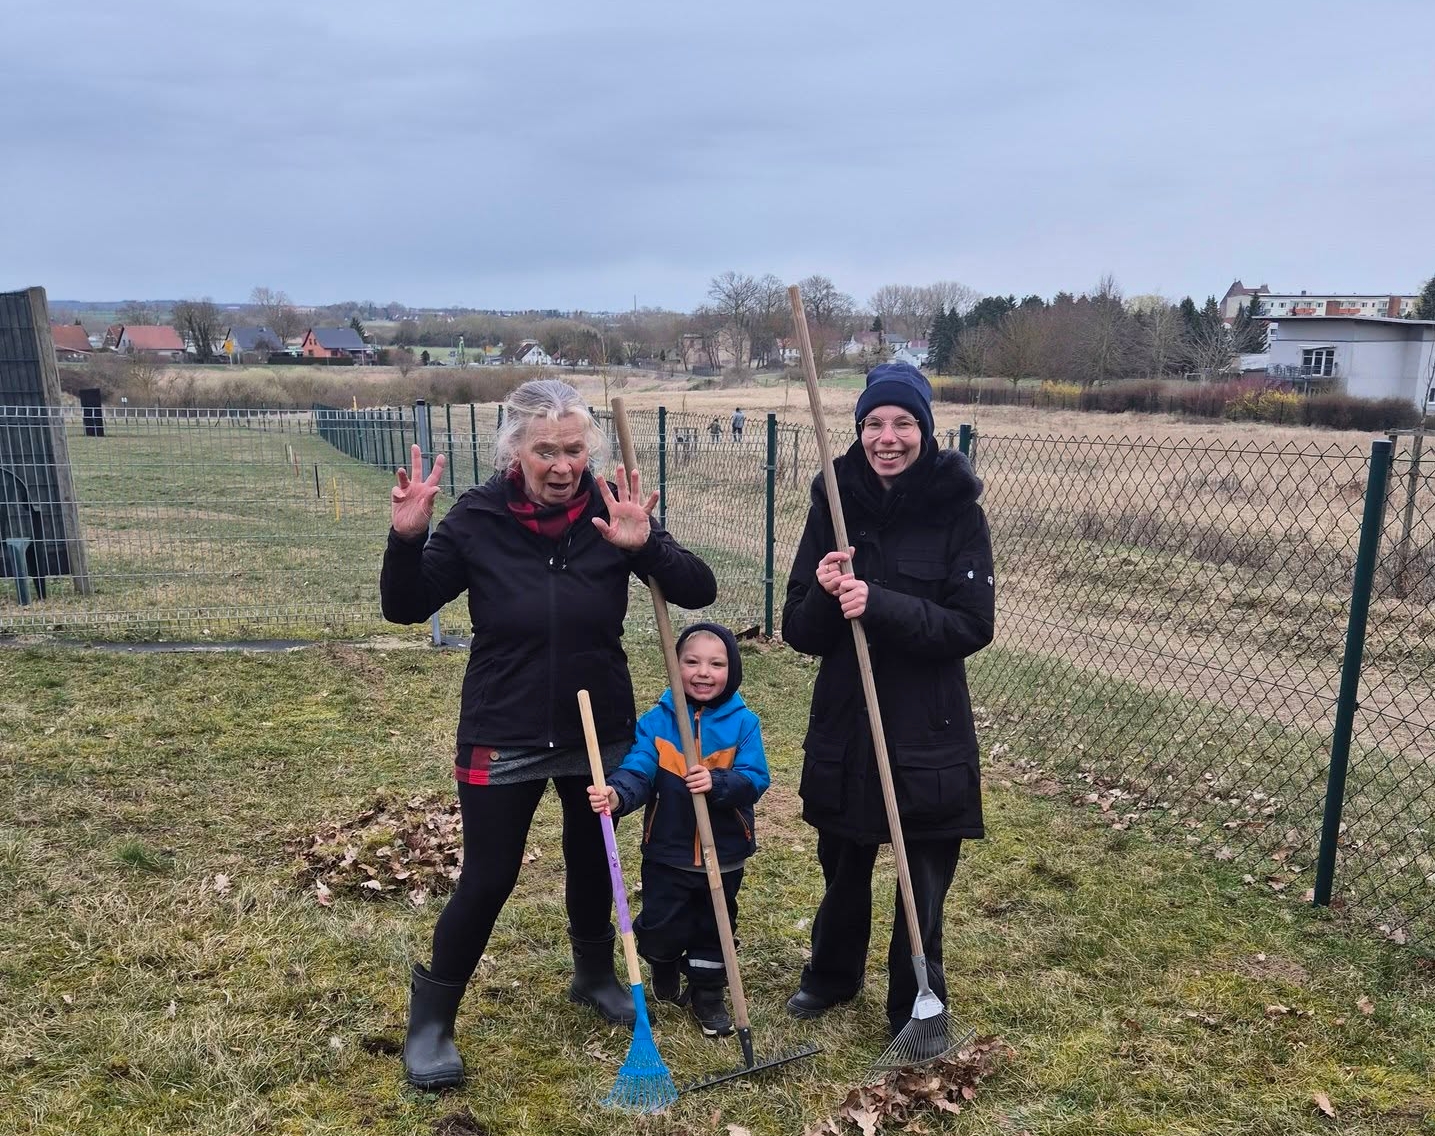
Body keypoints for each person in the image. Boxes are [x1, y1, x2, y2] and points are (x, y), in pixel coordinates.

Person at [380, 378, 717, 1090]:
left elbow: (698, 589)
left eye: (573, 450)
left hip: (598, 721)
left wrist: (646, 545)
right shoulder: (478, 517)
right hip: (504, 723)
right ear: (515, 451)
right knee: (490, 875)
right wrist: (407, 538)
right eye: (545, 452)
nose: (563, 466)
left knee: (594, 854)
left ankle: (593, 974)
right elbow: (405, 605)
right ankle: (432, 1022)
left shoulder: (612, 508)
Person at [780, 364, 994, 1038]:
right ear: (858, 430)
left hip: (928, 724)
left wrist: (879, 603)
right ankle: (832, 974)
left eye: (903, 422)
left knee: (922, 872)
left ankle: (916, 1001)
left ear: (925, 430)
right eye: (873, 423)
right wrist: (825, 593)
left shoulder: (958, 512)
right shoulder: (833, 503)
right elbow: (798, 630)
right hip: (848, 717)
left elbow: (971, 625)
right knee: (843, 859)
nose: (887, 437)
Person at [588, 623, 767, 1037]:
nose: (703, 672)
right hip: (668, 851)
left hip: (723, 852)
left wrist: (718, 783)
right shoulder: (658, 722)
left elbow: (755, 778)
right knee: (660, 926)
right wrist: (617, 794)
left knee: (714, 926)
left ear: (733, 670)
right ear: (674, 665)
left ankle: (708, 994)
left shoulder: (743, 724)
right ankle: (664, 960)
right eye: (691, 662)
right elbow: (639, 768)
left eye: (716, 664)